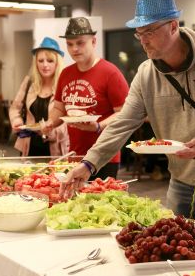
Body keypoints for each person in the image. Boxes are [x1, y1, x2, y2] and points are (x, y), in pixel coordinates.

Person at [61, 0, 195, 223]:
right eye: (139, 33)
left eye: (149, 31)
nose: (143, 40)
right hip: (181, 179)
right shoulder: (146, 73)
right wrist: (88, 164)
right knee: (177, 251)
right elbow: (123, 122)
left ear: (173, 26)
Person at [42, 17, 129, 179]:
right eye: (70, 44)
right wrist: (50, 123)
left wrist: (98, 126)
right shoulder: (66, 73)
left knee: (100, 202)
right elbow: (59, 108)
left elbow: (124, 114)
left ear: (93, 42)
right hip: (75, 154)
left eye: (80, 43)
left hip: (104, 156)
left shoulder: (110, 73)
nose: (74, 49)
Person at [9, 37, 69, 156]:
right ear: (36, 62)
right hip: (29, 147)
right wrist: (17, 121)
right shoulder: (29, 82)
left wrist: (51, 131)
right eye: (40, 61)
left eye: (50, 61)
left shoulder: (65, 84)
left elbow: (68, 119)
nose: (45, 65)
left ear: (57, 62)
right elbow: (15, 108)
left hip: (55, 148)